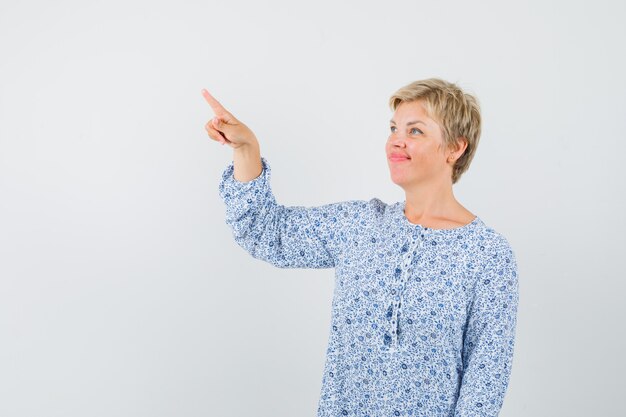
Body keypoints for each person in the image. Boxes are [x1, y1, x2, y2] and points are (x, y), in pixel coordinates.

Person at [202, 78, 519, 417]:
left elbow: (484, 387)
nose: (396, 141)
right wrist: (246, 148)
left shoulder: (488, 256)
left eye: (415, 131)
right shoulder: (359, 225)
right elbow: (265, 231)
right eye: (394, 128)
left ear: (455, 148)